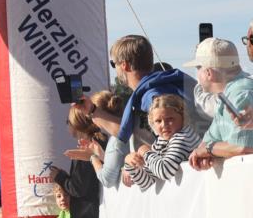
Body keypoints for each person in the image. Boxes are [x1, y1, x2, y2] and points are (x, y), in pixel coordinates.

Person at [76, 35, 201, 187]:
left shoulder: (152, 98)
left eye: (113, 64)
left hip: (184, 186)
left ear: (124, 66)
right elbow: (129, 130)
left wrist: (143, 152)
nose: (163, 124)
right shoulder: (155, 89)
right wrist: (92, 110)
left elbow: (173, 145)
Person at [186, 38, 253, 168]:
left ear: (208, 73)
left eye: (198, 68)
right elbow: (206, 143)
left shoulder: (239, 94)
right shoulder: (225, 97)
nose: (197, 74)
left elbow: (243, 147)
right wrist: (206, 152)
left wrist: (209, 150)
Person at [122, 94, 202, 189]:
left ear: (182, 117)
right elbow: (147, 182)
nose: (164, 125)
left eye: (170, 119)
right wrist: (130, 163)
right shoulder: (161, 140)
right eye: (158, 121)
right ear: (152, 123)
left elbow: (164, 171)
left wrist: (146, 153)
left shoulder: (183, 137)